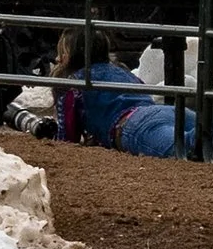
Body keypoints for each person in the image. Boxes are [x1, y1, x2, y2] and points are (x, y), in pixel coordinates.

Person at [51, 28, 204, 160]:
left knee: (186, 147)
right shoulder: (121, 70)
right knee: (212, 133)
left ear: (68, 55)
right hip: (164, 111)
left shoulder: (74, 84)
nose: (57, 59)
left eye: (61, 53)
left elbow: (67, 141)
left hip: (133, 125)